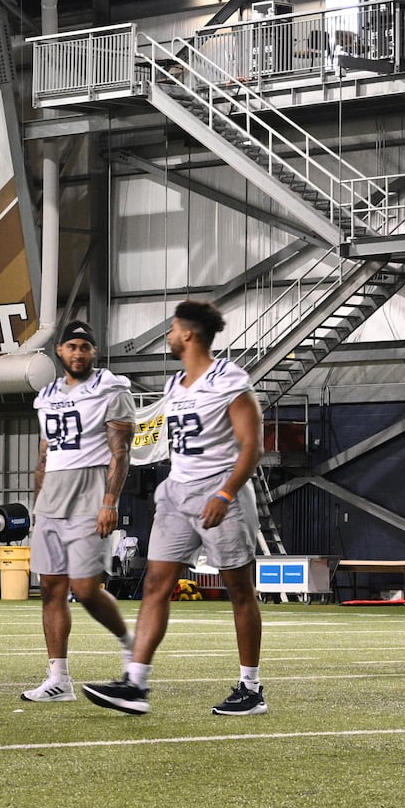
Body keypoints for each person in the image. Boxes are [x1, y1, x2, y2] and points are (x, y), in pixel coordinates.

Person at [83, 300, 266, 716]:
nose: (167, 336)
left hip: (221, 491)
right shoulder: (174, 385)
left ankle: (251, 688)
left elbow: (252, 447)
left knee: (239, 589)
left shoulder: (229, 379)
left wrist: (225, 494)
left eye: (171, 329)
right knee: (154, 584)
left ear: (187, 333)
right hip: (177, 492)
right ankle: (135, 683)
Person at [22, 321, 137, 702]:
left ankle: (129, 643)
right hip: (51, 503)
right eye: (71, 346)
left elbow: (121, 452)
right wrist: (38, 505)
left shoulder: (111, 388)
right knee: (51, 590)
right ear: (59, 351)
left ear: (94, 352)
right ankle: (59, 678)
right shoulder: (46, 396)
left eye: (84, 346)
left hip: (89, 499)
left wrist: (110, 502)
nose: (77, 353)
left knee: (86, 589)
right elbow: (44, 456)